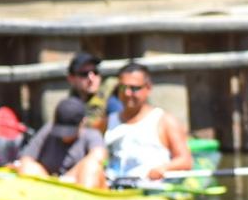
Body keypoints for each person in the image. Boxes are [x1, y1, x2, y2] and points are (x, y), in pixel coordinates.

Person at [69, 62, 191, 190]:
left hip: (149, 189)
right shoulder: (107, 122)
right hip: (113, 189)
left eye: (134, 88)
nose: (127, 93)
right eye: (122, 88)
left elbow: (185, 160)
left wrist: (163, 168)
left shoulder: (164, 120)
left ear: (148, 88)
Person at [15, 98, 104, 181]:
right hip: (49, 184)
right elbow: (26, 158)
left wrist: (66, 178)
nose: (64, 136)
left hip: (77, 184)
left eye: (69, 131)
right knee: (26, 167)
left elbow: (98, 157)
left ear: (82, 122)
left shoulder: (91, 135)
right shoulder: (48, 131)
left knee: (91, 167)